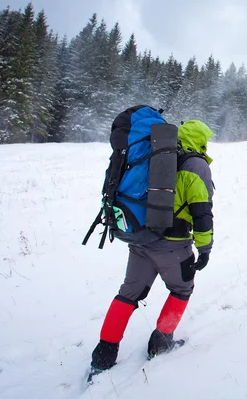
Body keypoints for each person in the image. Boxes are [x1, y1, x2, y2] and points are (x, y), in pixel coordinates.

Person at [89, 118, 215, 376]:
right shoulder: (196, 165)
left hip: (141, 240)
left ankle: (103, 355)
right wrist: (205, 248)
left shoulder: (154, 154)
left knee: (127, 294)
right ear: (200, 140)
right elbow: (202, 212)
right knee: (182, 288)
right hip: (174, 246)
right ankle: (161, 342)